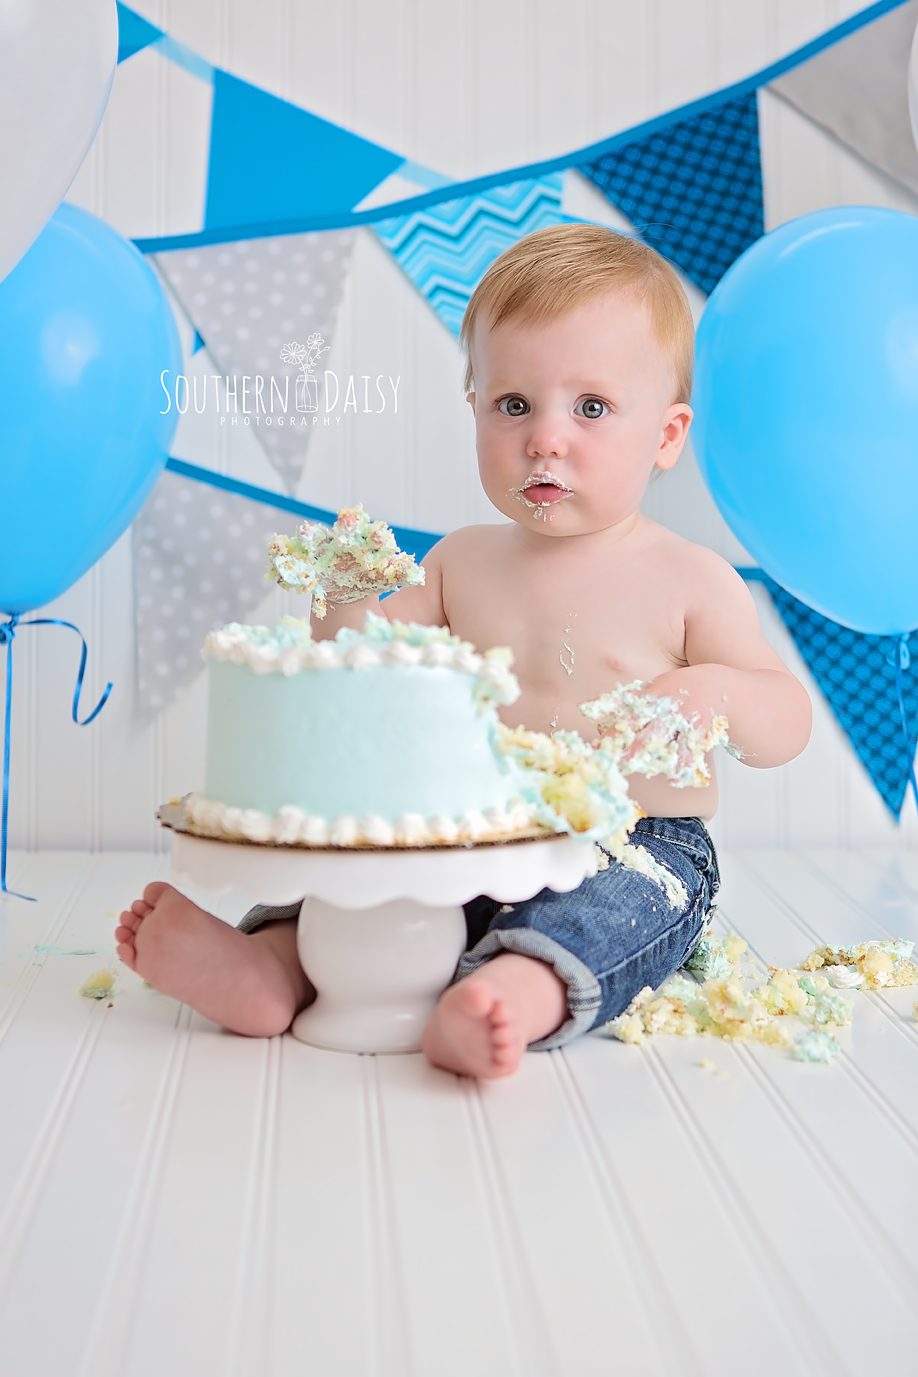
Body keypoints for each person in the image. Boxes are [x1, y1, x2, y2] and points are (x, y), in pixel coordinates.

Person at [116, 224, 811, 1077]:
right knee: (363, 885)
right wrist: (339, 596)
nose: (545, 438)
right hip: (465, 827)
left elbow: (785, 721)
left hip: (632, 838)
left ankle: (511, 997)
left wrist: (718, 694)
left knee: (612, 913)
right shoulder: (460, 561)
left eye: (590, 408)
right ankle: (270, 965)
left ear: (666, 437)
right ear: (476, 406)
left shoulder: (689, 579)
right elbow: (365, 672)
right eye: (513, 404)